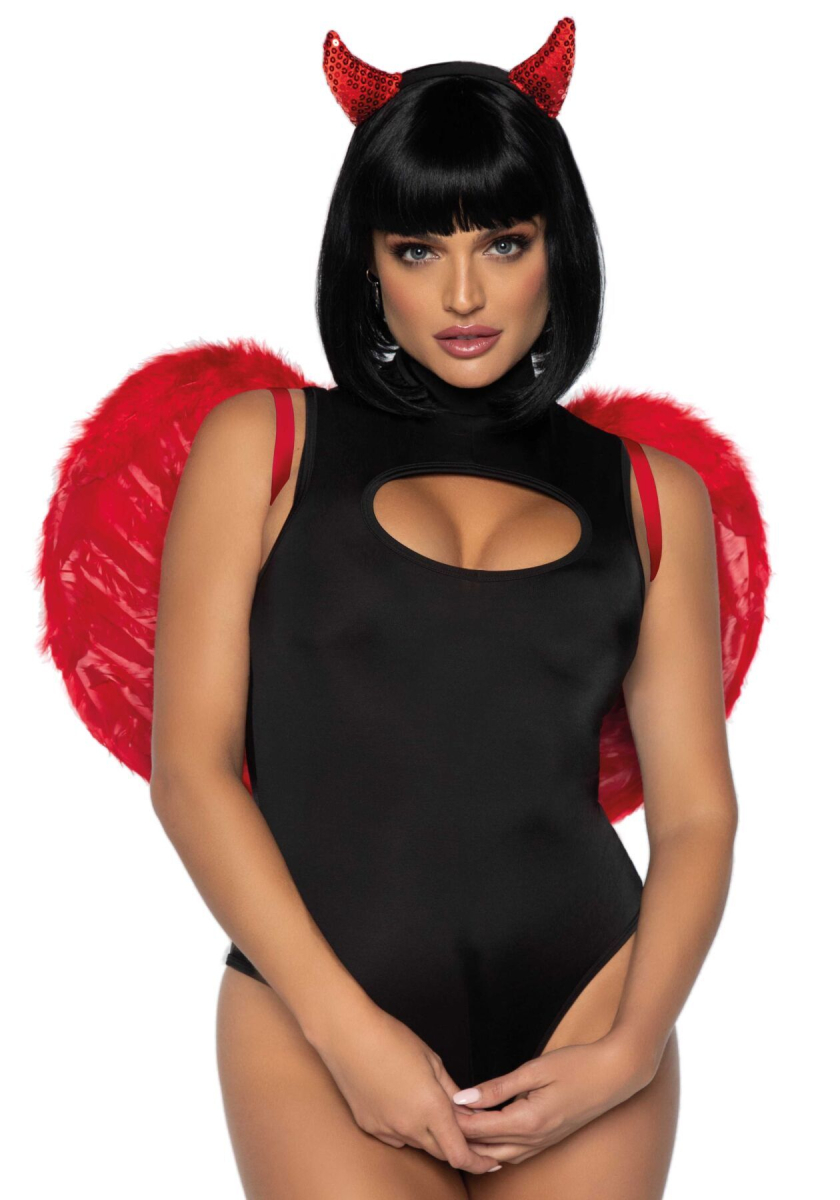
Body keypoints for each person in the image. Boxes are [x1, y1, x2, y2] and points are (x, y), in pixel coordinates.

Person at [38, 19, 769, 1198]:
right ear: (368, 262)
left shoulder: (652, 493)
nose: (464, 293)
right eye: (419, 248)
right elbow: (191, 772)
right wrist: (346, 1033)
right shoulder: (265, 444)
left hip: (592, 1004)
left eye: (505, 242)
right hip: (316, 1013)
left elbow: (697, 818)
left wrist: (632, 1046)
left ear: (557, 248)